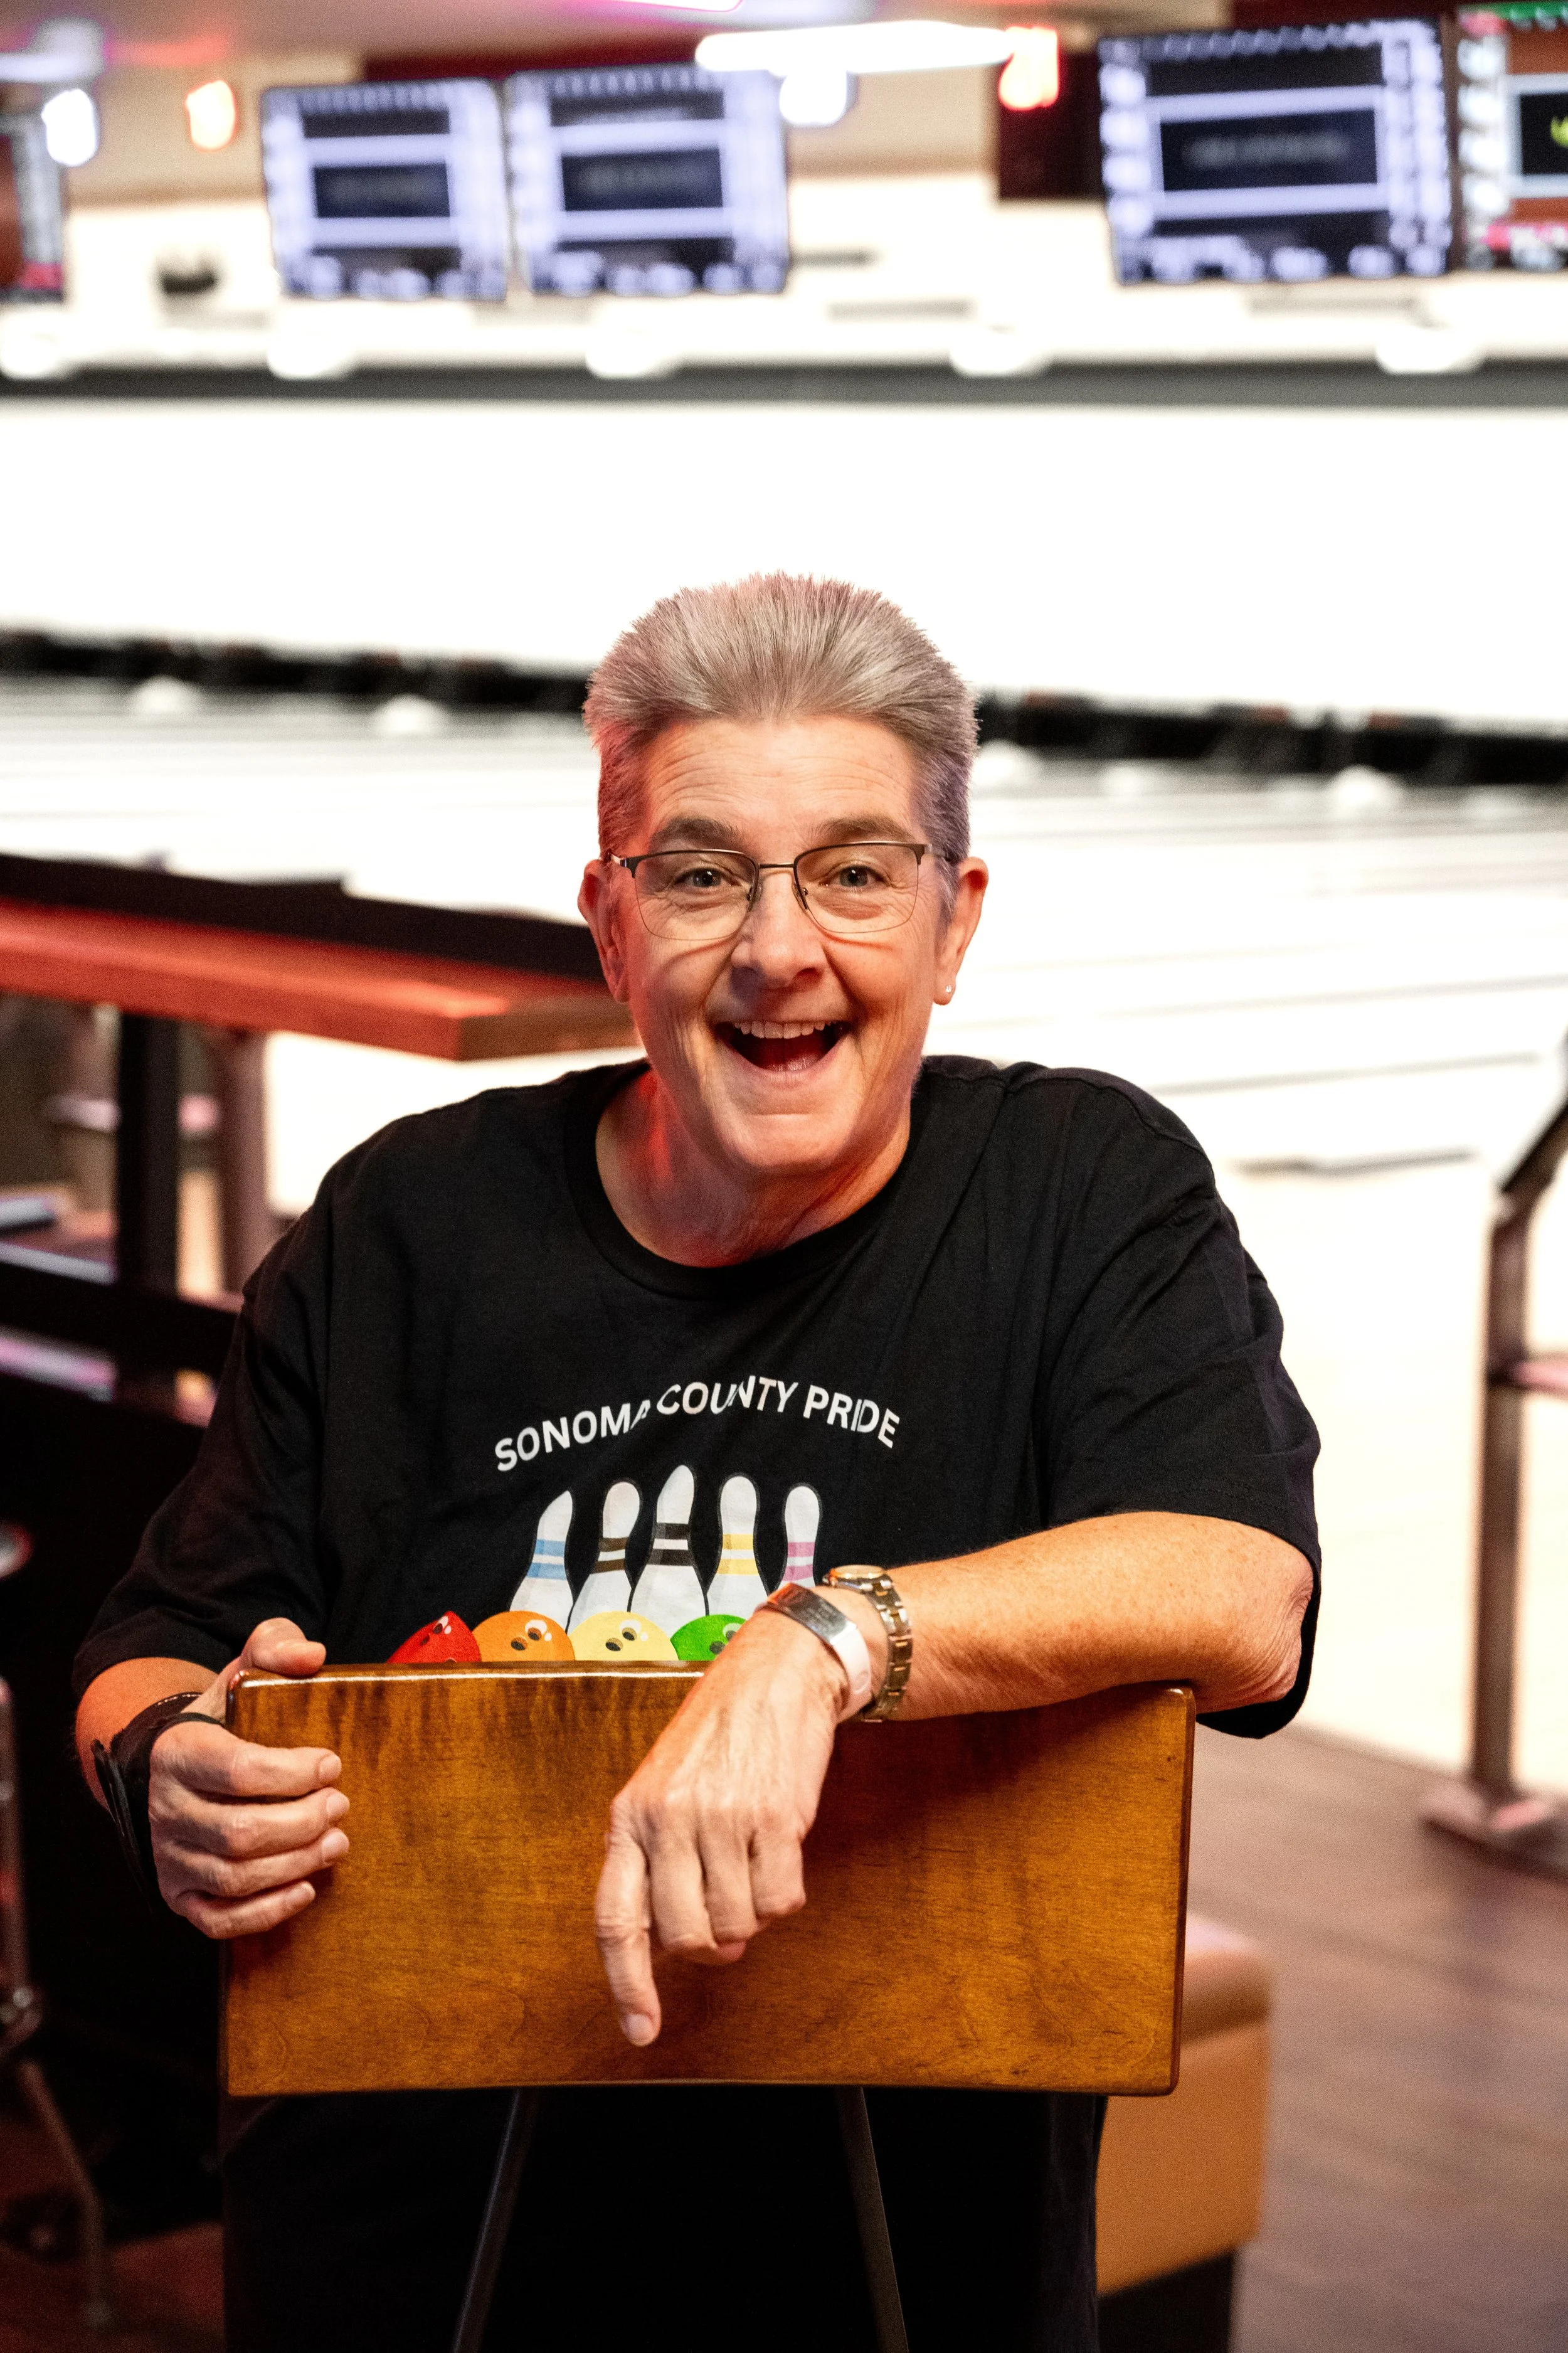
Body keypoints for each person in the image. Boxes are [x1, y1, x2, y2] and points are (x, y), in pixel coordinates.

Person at [73, 573, 1318, 2353]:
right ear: (607, 917)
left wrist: (819, 1646)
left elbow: (1236, 1586)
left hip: (900, 2268)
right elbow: (156, 1641)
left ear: (953, 925)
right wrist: (169, 1762)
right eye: (702, 870)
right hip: (401, 2261)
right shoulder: (406, 1226)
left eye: (854, 872)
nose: (778, 946)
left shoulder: (1077, 1190)